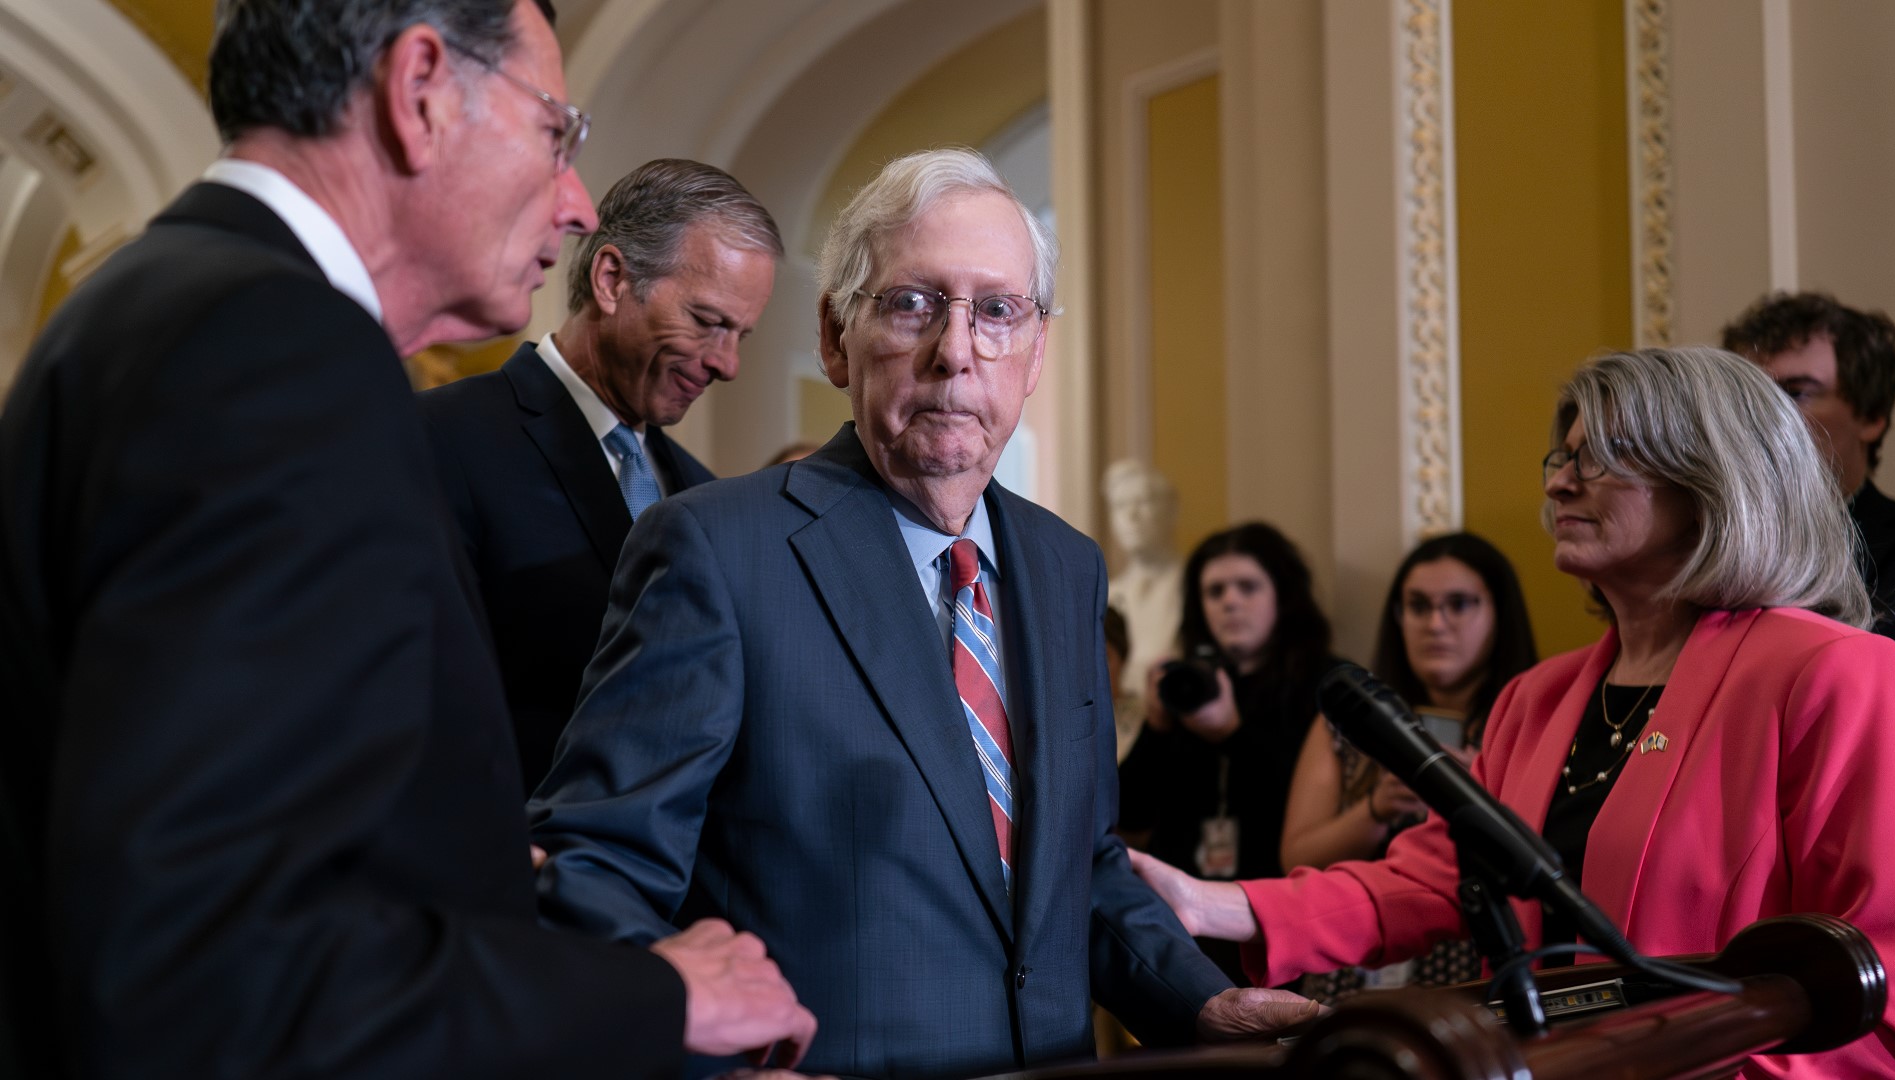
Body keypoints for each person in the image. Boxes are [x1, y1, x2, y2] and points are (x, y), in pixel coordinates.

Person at [0, 2, 815, 1076]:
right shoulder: (276, 351)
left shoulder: (162, 302)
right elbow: (215, 965)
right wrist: (659, 995)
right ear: (420, 89)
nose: (575, 203)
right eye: (555, 133)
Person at [529, 148, 1320, 1078]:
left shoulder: (1066, 567)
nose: (957, 351)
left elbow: (1080, 865)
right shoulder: (716, 551)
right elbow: (595, 871)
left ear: (1033, 356)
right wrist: (718, 1061)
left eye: (997, 311)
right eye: (913, 304)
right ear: (835, 338)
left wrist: (1202, 1001)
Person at [1131, 347, 1895, 1077]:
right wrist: (1215, 904)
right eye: (1561, 457)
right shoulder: (1536, 699)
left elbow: (1894, 972)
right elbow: (1443, 878)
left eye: (1599, 460)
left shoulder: (1837, 674)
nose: (1557, 484)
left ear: (1714, 481)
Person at [417, 158, 780, 792]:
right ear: (612, 279)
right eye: (707, 321)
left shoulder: (701, 496)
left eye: (741, 335)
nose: (728, 364)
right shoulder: (442, 438)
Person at [1284, 532, 1537, 1000]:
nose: (1436, 624)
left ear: (1498, 613)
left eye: (1459, 605)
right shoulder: (1347, 725)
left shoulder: (1531, 718)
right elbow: (1296, 858)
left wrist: (1475, 794)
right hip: (1354, 968)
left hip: (1473, 966)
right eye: (1418, 606)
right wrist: (1375, 809)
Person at [1129, 523, 1340, 887]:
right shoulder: (1186, 683)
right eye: (1215, 591)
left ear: (1282, 595)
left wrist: (1232, 735)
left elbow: (1308, 822)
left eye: (1247, 587)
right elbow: (1128, 818)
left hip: (1276, 898)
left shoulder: (1329, 684)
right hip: (1177, 903)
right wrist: (1156, 726)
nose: (1230, 601)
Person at [1722, 291, 1895, 661]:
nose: (1763, 416)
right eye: (1750, 396)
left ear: (1871, 416)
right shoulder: (1705, 547)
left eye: (1795, 393)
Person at [1104, 459, 1183, 701]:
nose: (1131, 515)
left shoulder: (1190, 587)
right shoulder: (1108, 593)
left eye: (1143, 502)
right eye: (1120, 505)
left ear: (1171, 510)